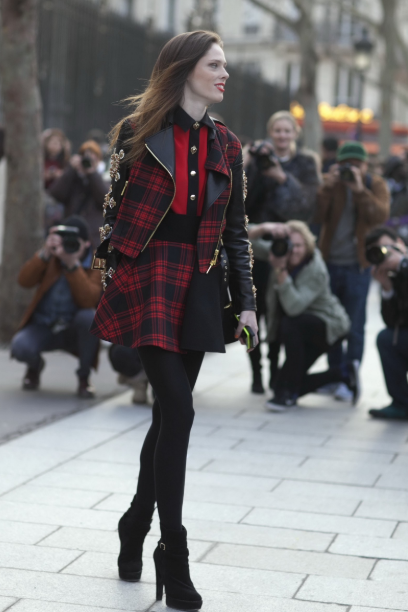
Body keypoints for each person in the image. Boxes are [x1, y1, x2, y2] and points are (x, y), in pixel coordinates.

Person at [89, 31, 257, 611]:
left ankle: (135, 519)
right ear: (185, 69)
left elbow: (235, 232)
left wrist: (250, 303)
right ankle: (173, 549)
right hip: (148, 280)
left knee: (168, 413)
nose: (225, 74)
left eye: (227, 66)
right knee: (179, 407)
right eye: (215, 64)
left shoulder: (229, 147)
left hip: (201, 284)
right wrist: (113, 283)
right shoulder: (137, 134)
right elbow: (111, 219)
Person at [244, 111, 319, 394]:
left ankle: (276, 371)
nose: (282, 136)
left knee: (280, 314)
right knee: (254, 312)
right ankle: (256, 372)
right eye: (277, 131)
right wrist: (248, 159)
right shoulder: (256, 161)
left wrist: (280, 176)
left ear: (295, 133)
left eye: (287, 131)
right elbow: (237, 196)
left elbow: (305, 205)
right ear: (270, 133)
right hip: (256, 248)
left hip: (290, 252)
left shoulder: (305, 163)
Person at [249, 220, 353, 412]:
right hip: (302, 326)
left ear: (308, 245)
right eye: (291, 245)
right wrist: (265, 228)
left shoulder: (315, 267)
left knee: (291, 325)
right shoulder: (280, 253)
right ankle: (343, 373)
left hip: (329, 326)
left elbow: (294, 307)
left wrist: (280, 271)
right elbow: (244, 240)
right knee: (289, 382)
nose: (294, 251)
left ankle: (283, 396)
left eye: (299, 246)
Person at [314, 141, 389, 402]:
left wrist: (359, 190)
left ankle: (350, 377)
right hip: (329, 263)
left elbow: (379, 216)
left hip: (358, 265)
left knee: (355, 325)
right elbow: (316, 215)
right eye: (347, 165)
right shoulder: (331, 183)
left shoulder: (373, 184)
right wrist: (327, 187)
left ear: (366, 165)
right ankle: (335, 374)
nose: (352, 170)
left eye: (357, 165)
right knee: (333, 323)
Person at [10, 216, 101, 398]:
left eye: (75, 242)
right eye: (65, 241)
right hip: (44, 326)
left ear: (86, 244)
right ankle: (34, 367)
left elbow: (89, 300)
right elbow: (24, 281)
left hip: (73, 329)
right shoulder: (52, 257)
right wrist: (44, 253)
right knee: (19, 347)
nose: (68, 245)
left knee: (89, 318)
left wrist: (72, 265)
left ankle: (84, 377)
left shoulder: (97, 261)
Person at [365, 226, 408, 420]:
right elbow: (392, 324)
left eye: (387, 248)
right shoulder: (394, 274)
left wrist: (403, 264)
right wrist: (387, 286)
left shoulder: (403, 265)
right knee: (386, 338)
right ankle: (401, 403)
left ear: (399, 243)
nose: (385, 254)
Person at [48, 139, 107, 247]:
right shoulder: (73, 177)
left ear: (99, 160)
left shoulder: (105, 178)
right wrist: (71, 169)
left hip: (94, 238)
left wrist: (92, 174)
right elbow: (56, 193)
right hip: (71, 235)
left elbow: (106, 200)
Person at [383, 155, 408, 244]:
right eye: (401, 167)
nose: (404, 169)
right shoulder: (383, 186)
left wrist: (399, 221)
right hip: (383, 230)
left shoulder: (405, 188)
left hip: (403, 233)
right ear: (393, 169)